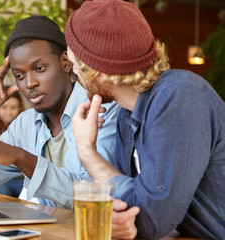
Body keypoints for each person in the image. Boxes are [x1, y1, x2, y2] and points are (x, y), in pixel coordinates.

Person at [0, 15, 139, 239]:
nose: (29, 84)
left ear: (66, 62)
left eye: (39, 68)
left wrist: (20, 157)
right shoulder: (25, 124)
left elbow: (95, 195)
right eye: (19, 75)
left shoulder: (101, 109)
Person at [65, 0, 225, 239]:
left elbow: (150, 221)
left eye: (76, 65)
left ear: (98, 70)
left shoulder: (180, 96)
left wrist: (86, 151)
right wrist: (123, 220)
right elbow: (133, 211)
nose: (74, 72)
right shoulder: (126, 116)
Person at [0, 91, 25, 197]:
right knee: (4, 193)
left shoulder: (23, 127)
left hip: (18, 177)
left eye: (13, 107)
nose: (9, 112)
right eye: (4, 107)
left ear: (19, 108)